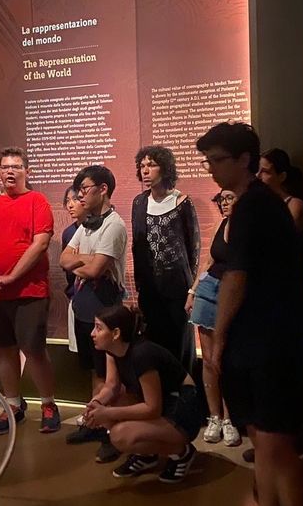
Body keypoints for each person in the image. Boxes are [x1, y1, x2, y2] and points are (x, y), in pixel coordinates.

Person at [199, 123, 303, 506]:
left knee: (279, 448)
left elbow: (238, 275)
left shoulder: (254, 206)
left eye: (218, 160)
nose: (211, 169)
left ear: (245, 159)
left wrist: (220, 338)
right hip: (263, 341)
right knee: (265, 444)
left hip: (271, 343)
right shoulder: (252, 205)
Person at [0, 147, 60, 435]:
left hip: (29, 291)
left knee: (33, 349)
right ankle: (11, 404)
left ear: (26, 171)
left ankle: (48, 404)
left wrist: (12, 277)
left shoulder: (37, 201)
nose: (10, 171)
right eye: (5, 167)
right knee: (4, 350)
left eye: (16, 167)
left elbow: (40, 244)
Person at [83, 304, 201, 482]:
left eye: (99, 328)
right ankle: (147, 454)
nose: (92, 333)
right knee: (104, 400)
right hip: (162, 403)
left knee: (119, 435)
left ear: (116, 334)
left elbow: (152, 408)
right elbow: (111, 386)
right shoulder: (113, 350)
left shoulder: (141, 354)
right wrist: (96, 404)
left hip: (182, 410)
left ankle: (182, 453)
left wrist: (106, 412)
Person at [60, 165, 127, 462]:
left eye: (85, 189)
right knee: (94, 370)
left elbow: (98, 269)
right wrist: (83, 260)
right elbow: (63, 259)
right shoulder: (86, 225)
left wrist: (82, 261)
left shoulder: (114, 225)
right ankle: (96, 422)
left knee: (110, 373)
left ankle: (113, 431)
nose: (81, 195)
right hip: (84, 306)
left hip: (106, 307)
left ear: (103, 189)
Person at [131, 146, 200, 371]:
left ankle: (184, 393)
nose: (145, 170)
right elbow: (137, 246)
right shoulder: (139, 203)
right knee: (153, 337)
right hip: (150, 286)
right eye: (142, 166)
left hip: (177, 283)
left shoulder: (182, 202)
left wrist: (191, 288)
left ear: (165, 167)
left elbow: (193, 248)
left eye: (151, 165)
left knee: (179, 338)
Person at [186, 189, 241, 447]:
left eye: (230, 198)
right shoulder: (223, 224)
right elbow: (210, 259)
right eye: (222, 199)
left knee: (227, 358)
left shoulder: (248, 228)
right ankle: (214, 416)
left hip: (232, 294)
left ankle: (231, 418)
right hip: (209, 289)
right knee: (208, 360)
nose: (225, 203)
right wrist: (193, 290)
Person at [257, 148, 303, 232]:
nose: (258, 176)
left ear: (282, 176)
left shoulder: (294, 204)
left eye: (265, 172)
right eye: (257, 170)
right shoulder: (258, 201)